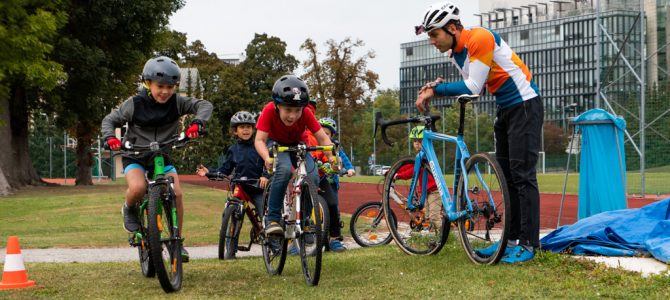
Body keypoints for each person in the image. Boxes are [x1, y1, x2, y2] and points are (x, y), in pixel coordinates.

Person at [414, 2, 544, 263]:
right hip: (505, 108)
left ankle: (529, 245)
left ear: (452, 28)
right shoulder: (455, 53)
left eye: (434, 34)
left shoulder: (479, 38)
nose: (432, 41)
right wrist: (435, 85)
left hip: (525, 104)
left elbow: (473, 87)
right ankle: (510, 241)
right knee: (507, 178)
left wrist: (436, 90)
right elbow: (478, 87)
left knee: (522, 175)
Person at [101, 56, 213, 262]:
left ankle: (177, 240)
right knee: (137, 188)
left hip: (162, 156)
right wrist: (110, 138)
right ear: (148, 83)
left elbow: (204, 105)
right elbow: (110, 119)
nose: (165, 92)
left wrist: (198, 123)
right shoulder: (134, 104)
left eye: (170, 87)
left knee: (176, 193)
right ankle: (129, 208)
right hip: (135, 154)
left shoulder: (177, 103)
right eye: (160, 86)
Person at [254, 75, 337, 236]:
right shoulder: (269, 110)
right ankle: (272, 218)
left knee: (313, 177)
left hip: (298, 143)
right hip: (275, 143)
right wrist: (267, 157)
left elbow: (323, 138)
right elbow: (259, 140)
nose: (292, 116)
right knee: (284, 169)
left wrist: (331, 156)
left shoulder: (306, 113)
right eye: (288, 110)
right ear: (277, 106)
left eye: (297, 110)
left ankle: (304, 218)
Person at [196, 111, 269, 219]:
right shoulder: (233, 150)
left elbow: (268, 163)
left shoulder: (259, 147)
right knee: (232, 211)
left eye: (248, 127)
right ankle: (231, 230)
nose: (245, 130)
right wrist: (209, 173)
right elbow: (225, 170)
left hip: (257, 187)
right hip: (240, 187)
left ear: (253, 129)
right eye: (242, 127)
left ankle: (265, 230)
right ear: (235, 131)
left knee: (264, 214)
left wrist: (265, 175)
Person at [301, 117, 355, 253]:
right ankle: (299, 239)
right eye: (320, 133)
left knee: (332, 204)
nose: (323, 136)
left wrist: (345, 167)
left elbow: (341, 159)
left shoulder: (333, 147)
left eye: (327, 134)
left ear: (332, 135)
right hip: (310, 179)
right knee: (304, 205)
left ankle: (334, 238)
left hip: (326, 179)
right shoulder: (310, 145)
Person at [394, 126, 442, 230]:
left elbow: (413, 171)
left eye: (419, 140)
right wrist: (392, 171)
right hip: (426, 192)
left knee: (434, 217)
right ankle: (434, 239)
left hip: (435, 191)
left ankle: (446, 237)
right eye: (414, 141)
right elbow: (408, 166)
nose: (416, 143)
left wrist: (398, 176)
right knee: (428, 217)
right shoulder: (419, 156)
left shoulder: (426, 156)